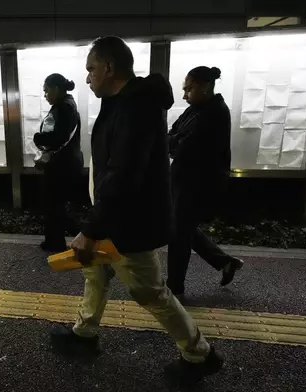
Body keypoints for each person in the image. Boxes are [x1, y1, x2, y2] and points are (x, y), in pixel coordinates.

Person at [50, 36, 223, 381]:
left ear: (109, 68)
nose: (87, 78)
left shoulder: (134, 107)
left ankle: (199, 354)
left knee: (150, 291)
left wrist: (91, 229)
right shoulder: (124, 102)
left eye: (91, 69)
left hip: (128, 223)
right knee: (95, 273)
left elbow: (123, 175)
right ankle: (84, 334)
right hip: (114, 216)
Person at [166, 66, 244, 300]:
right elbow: (172, 134)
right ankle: (224, 262)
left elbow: (183, 146)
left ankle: (175, 289)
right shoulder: (196, 110)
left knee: (179, 233)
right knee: (182, 228)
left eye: (188, 89)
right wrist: (175, 141)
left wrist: (174, 142)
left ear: (204, 86)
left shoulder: (216, 113)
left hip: (198, 184)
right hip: (183, 179)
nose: (184, 95)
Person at [33, 73, 83, 252]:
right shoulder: (67, 105)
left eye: (46, 91)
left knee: (53, 203)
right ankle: (55, 239)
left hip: (61, 165)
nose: (45, 95)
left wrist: (38, 138)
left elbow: (58, 137)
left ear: (56, 89)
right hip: (65, 163)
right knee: (56, 203)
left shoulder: (64, 107)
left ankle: (55, 242)